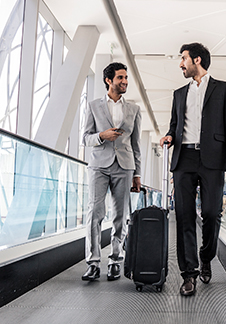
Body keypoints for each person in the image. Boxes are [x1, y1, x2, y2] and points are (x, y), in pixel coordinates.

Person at [159, 42, 226, 296]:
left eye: (183, 59)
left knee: (211, 213)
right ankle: (188, 274)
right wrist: (170, 136)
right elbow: (175, 125)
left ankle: (206, 256)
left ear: (197, 60)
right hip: (184, 160)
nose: (180, 64)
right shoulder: (178, 94)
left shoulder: (224, 89)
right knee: (183, 216)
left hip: (213, 160)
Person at [81, 62, 141, 282]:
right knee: (95, 213)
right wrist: (101, 136)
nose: (124, 81)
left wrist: (138, 174)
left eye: (126, 78)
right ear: (109, 80)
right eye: (120, 78)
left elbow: (136, 145)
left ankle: (116, 260)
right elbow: (85, 138)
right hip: (98, 165)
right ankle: (93, 263)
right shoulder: (94, 106)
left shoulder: (133, 109)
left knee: (120, 216)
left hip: (124, 166)